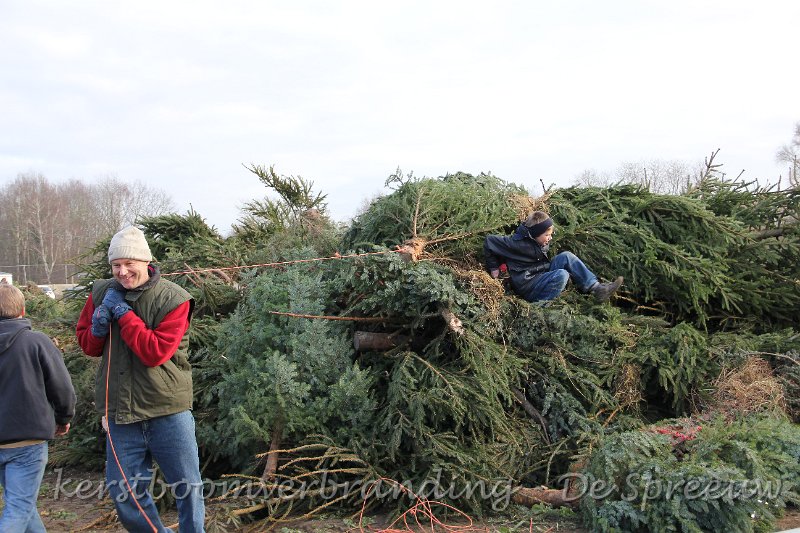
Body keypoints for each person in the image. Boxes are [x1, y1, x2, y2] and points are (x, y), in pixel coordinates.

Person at [76, 226, 205, 532]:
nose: (122, 272)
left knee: (188, 489)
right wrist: (97, 327)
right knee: (125, 494)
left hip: (168, 411)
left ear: (145, 262)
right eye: (115, 265)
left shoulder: (174, 299)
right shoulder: (100, 293)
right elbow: (88, 346)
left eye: (128, 264)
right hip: (121, 414)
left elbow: (155, 352)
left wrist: (123, 314)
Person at [1, 283, 76, 532]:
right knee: (19, 507)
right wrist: (64, 417)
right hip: (28, 442)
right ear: (23, 311)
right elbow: (62, 386)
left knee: (21, 503)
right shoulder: (36, 342)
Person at [484, 210, 623, 303]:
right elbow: (489, 241)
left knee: (566, 256)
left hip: (540, 274)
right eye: (546, 235)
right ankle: (541, 306)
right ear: (534, 234)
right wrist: (493, 267)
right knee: (562, 275)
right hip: (528, 285)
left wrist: (544, 240)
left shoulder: (538, 240)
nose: (550, 238)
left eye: (551, 234)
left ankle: (597, 289)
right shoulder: (516, 244)